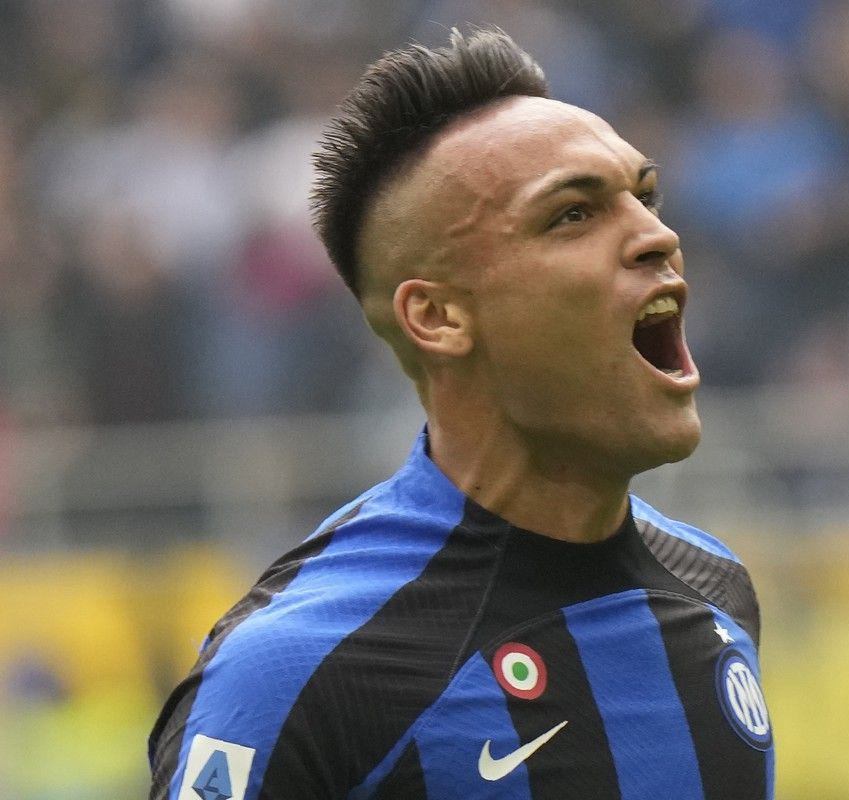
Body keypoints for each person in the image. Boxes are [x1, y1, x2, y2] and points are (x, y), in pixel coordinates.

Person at [148, 28, 773, 800]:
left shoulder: (714, 589)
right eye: (572, 215)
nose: (659, 237)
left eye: (644, 197)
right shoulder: (294, 672)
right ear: (438, 317)